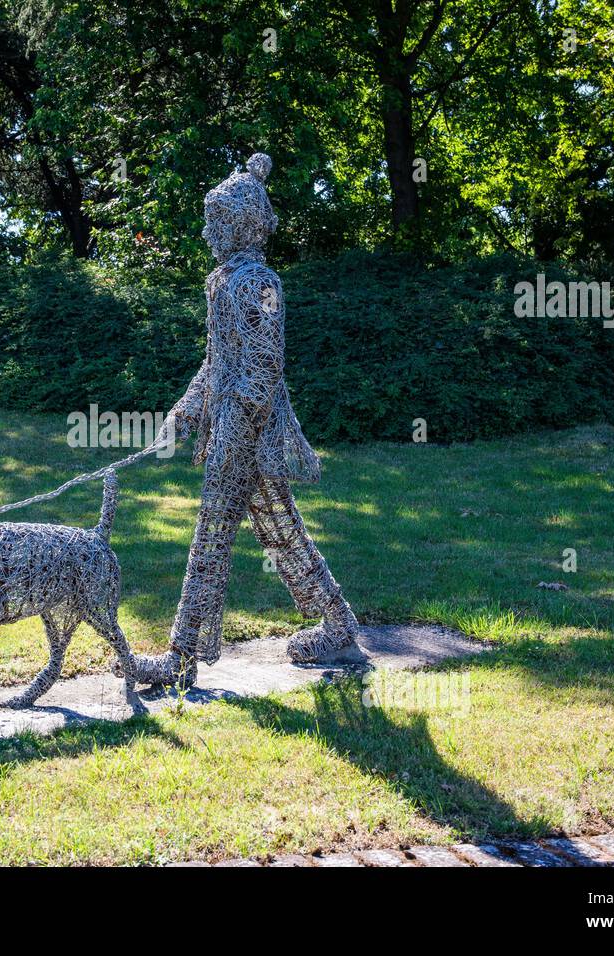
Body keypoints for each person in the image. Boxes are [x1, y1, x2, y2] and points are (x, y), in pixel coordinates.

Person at [129, 152, 365, 688]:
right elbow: (218, 363)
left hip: (248, 433)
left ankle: (181, 659)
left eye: (216, 221)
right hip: (233, 432)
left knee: (212, 538)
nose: (208, 231)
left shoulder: (258, 282)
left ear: (240, 225)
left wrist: (232, 432)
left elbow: (262, 366)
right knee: (281, 534)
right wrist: (183, 416)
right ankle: (338, 624)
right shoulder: (224, 283)